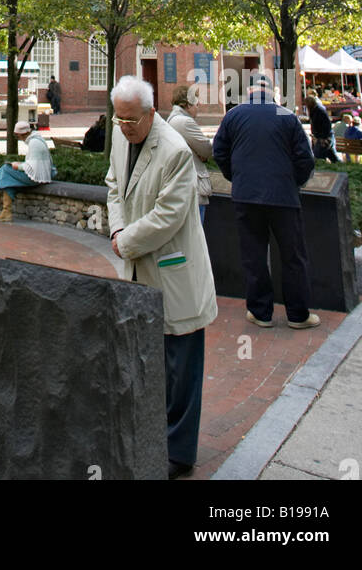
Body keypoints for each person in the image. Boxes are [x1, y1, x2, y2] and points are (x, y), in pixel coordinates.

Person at [105, 74, 217, 480]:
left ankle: (179, 453)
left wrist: (126, 240)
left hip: (174, 271)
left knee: (181, 366)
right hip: (136, 264)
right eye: (119, 120)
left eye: (132, 120)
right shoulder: (121, 133)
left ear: (151, 113)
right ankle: (152, 433)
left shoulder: (175, 151)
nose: (124, 127)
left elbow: (168, 217)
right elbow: (114, 185)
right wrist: (117, 231)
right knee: (148, 357)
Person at [213, 76, 319, 330]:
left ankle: (261, 312)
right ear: (273, 92)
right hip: (283, 197)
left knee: (254, 255)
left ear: (249, 91)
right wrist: (294, 182)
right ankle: (298, 314)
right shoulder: (287, 117)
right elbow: (305, 158)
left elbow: (219, 152)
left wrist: (236, 177)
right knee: (293, 256)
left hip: (246, 196)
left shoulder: (233, 115)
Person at [0, 121, 54, 222]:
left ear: (23, 134)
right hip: (39, 175)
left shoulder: (34, 143)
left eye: (18, 136)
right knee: (7, 178)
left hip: (37, 177)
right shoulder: (36, 139)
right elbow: (34, 163)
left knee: (5, 169)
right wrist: (18, 164)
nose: (18, 138)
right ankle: (6, 212)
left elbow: (32, 167)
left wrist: (18, 166)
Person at [167, 86, 213, 223]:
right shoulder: (184, 122)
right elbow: (207, 150)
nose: (199, 107)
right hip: (192, 190)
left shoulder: (172, 119)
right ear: (187, 104)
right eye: (196, 104)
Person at [306, 93, 338, 162]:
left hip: (324, 137)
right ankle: (340, 166)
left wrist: (324, 138)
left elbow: (327, 125)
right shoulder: (314, 111)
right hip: (321, 137)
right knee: (331, 156)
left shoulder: (319, 111)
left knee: (318, 157)